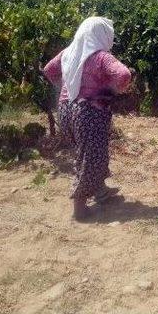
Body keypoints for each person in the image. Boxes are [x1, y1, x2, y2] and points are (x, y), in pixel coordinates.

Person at [43, 17, 131, 220]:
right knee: (90, 157)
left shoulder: (68, 52)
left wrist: (66, 88)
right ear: (102, 35)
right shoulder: (101, 57)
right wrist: (109, 90)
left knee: (87, 152)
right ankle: (80, 208)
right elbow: (124, 75)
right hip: (89, 113)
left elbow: (48, 70)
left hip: (65, 111)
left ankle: (100, 190)